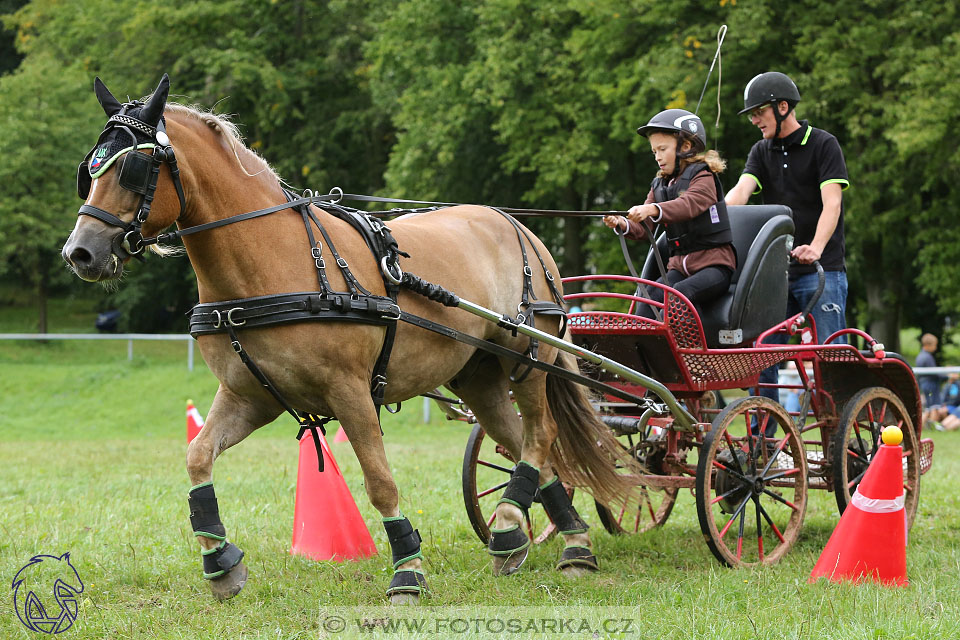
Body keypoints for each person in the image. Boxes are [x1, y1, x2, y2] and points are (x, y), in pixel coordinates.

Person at [724, 72, 849, 422]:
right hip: (775, 276)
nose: (753, 119)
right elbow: (740, 193)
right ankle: (762, 442)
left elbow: (832, 205)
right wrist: (709, 213)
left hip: (822, 271)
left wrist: (817, 247)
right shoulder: (761, 151)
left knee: (830, 356)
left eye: (759, 111)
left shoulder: (824, 145)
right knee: (762, 352)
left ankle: (840, 437)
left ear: (782, 107)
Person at [603, 108, 736, 318]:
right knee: (648, 298)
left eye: (662, 149)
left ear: (686, 146)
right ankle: (644, 349)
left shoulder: (704, 177)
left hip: (714, 268)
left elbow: (689, 203)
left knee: (679, 297)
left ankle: (686, 349)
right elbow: (643, 228)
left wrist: (653, 209)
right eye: (654, 151)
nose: (657, 157)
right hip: (679, 268)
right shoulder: (659, 185)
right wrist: (622, 223)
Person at [915, 333, 944, 409]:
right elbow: (934, 373)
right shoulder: (927, 357)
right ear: (928, 345)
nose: (936, 347)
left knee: (928, 406)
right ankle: (932, 421)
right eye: (935, 345)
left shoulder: (920, 356)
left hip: (924, 384)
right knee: (934, 407)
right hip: (931, 385)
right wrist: (947, 375)